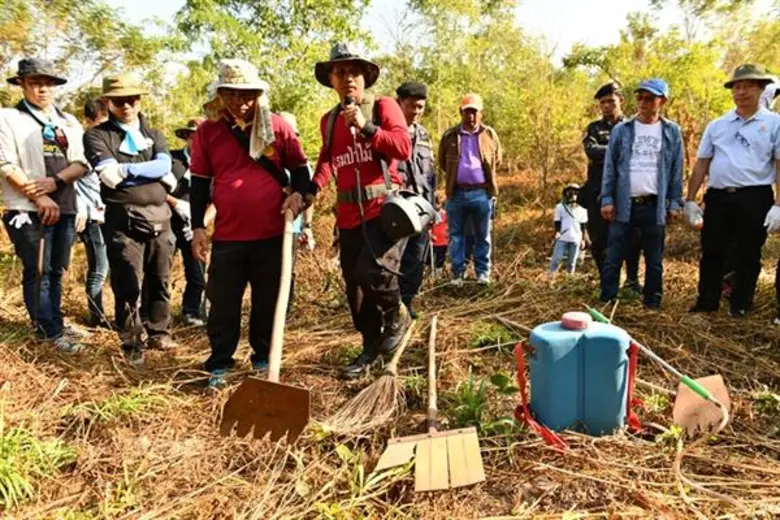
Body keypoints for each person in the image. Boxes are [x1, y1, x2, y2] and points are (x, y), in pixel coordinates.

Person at [189, 60, 309, 389]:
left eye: (249, 95)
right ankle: (220, 363)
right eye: (234, 95)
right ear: (222, 94)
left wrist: (298, 195)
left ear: (258, 94)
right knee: (223, 302)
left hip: (272, 234)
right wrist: (198, 227)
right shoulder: (208, 132)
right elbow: (199, 182)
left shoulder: (277, 126)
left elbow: (300, 169)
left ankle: (262, 359)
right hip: (228, 236)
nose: (242, 103)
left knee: (267, 302)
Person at [310, 43, 412, 379]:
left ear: (364, 77)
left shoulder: (383, 107)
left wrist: (367, 128)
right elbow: (327, 161)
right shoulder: (329, 121)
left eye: (354, 71)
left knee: (374, 271)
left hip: (383, 210)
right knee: (354, 288)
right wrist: (310, 192)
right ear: (331, 79)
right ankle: (370, 347)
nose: (347, 78)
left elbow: (403, 147)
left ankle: (397, 314)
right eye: (340, 72)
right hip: (348, 215)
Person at [83, 73, 179, 365]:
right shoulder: (97, 135)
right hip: (123, 223)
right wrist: (152, 171)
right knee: (127, 282)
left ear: (139, 101)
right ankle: (131, 341)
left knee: (161, 278)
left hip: (161, 219)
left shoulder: (156, 135)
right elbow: (109, 177)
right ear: (108, 103)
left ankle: (159, 331)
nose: (126, 105)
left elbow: (168, 170)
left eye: (131, 99)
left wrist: (127, 171)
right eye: (119, 100)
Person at [0, 58, 90, 352]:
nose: (42, 89)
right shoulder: (8, 118)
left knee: (55, 269)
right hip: (27, 208)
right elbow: (5, 164)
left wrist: (56, 183)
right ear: (22, 84)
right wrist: (38, 196)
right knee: (37, 269)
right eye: (35, 83)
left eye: (48, 83)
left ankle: (56, 322)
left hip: (64, 203)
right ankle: (47, 331)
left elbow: (81, 162)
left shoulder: (68, 121)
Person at [685, 64, 780, 319]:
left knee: (748, 253)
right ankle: (706, 301)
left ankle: (740, 304)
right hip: (718, 197)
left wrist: (779, 206)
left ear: (761, 89)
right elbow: (702, 163)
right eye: (737, 86)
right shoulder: (718, 125)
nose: (741, 92)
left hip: (755, 197)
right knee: (712, 251)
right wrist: (690, 200)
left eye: (748, 86)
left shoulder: (774, 124)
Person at [600, 79, 684, 309]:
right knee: (614, 254)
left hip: (654, 205)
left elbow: (677, 169)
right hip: (623, 203)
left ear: (662, 101)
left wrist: (675, 202)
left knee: (654, 259)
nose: (643, 103)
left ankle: (652, 302)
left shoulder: (672, 131)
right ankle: (608, 299)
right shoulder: (622, 130)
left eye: (650, 98)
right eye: (640, 98)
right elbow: (610, 167)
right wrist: (607, 198)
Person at [581, 82, 641, 290]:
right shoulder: (593, 128)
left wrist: (611, 153)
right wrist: (619, 150)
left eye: (611, 101)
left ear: (621, 101)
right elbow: (591, 151)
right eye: (603, 102)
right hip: (598, 192)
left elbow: (637, 151)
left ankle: (632, 281)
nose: (607, 106)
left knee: (632, 238)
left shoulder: (632, 126)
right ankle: (607, 280)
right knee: (599, 240)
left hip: (628, 190)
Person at [439, 93, 502, 286]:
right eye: (467, 112)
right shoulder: (450, 135)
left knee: (483, 235)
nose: (471, 116)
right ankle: (458, 274)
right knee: (456, 236)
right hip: (456, 193)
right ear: (461, 112)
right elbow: (442, 162)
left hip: (481, 194)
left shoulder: (489, 134)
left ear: (481, 113)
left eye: (474, 112)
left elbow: (497, 159)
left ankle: (483, 273)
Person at [162, 117, 207, 327]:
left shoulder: (212, 162)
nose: (198, 140)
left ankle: (191, 312)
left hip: (194, 227)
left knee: (197, 272)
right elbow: (155, 188)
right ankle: (155, 316)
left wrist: (201, 223)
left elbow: (216, 197)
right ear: (187, 137)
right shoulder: (171, 159)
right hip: (167, 223)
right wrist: (175, 203)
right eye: (194, 135)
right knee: (160, 271)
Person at [396, 81, 435, 317]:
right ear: (399, 103)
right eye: (411, 106)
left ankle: (407, 304)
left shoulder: (423, 135)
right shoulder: (386, 132)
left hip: (421, 207)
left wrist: (433, 205)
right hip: (397, 208)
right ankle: (393, 308)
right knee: (395, 259)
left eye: (420, 107)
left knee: (416, 259)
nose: (416, 112)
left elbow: (431, 173)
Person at [74, 97, 110, 329]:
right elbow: (73, 182)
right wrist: (81, 210)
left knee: (111, 268)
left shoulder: (108, 141)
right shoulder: (82, 147)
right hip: (92, 216)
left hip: (109, 214)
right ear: (88, 121)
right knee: (99, 269)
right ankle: (97, 318)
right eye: (99, 123)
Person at [549, 184, 589, 275]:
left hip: (576, 238)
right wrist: (557, 232)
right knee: (556, 259)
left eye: (575, 192)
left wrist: (583, 239)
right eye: (570, 192)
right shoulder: (560, 207)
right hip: (562, 238)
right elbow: (557, 222)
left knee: (572, 262)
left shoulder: (583, 209)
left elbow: (583, 226)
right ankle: (550, 277)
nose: (572, 194)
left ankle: (569, 278)